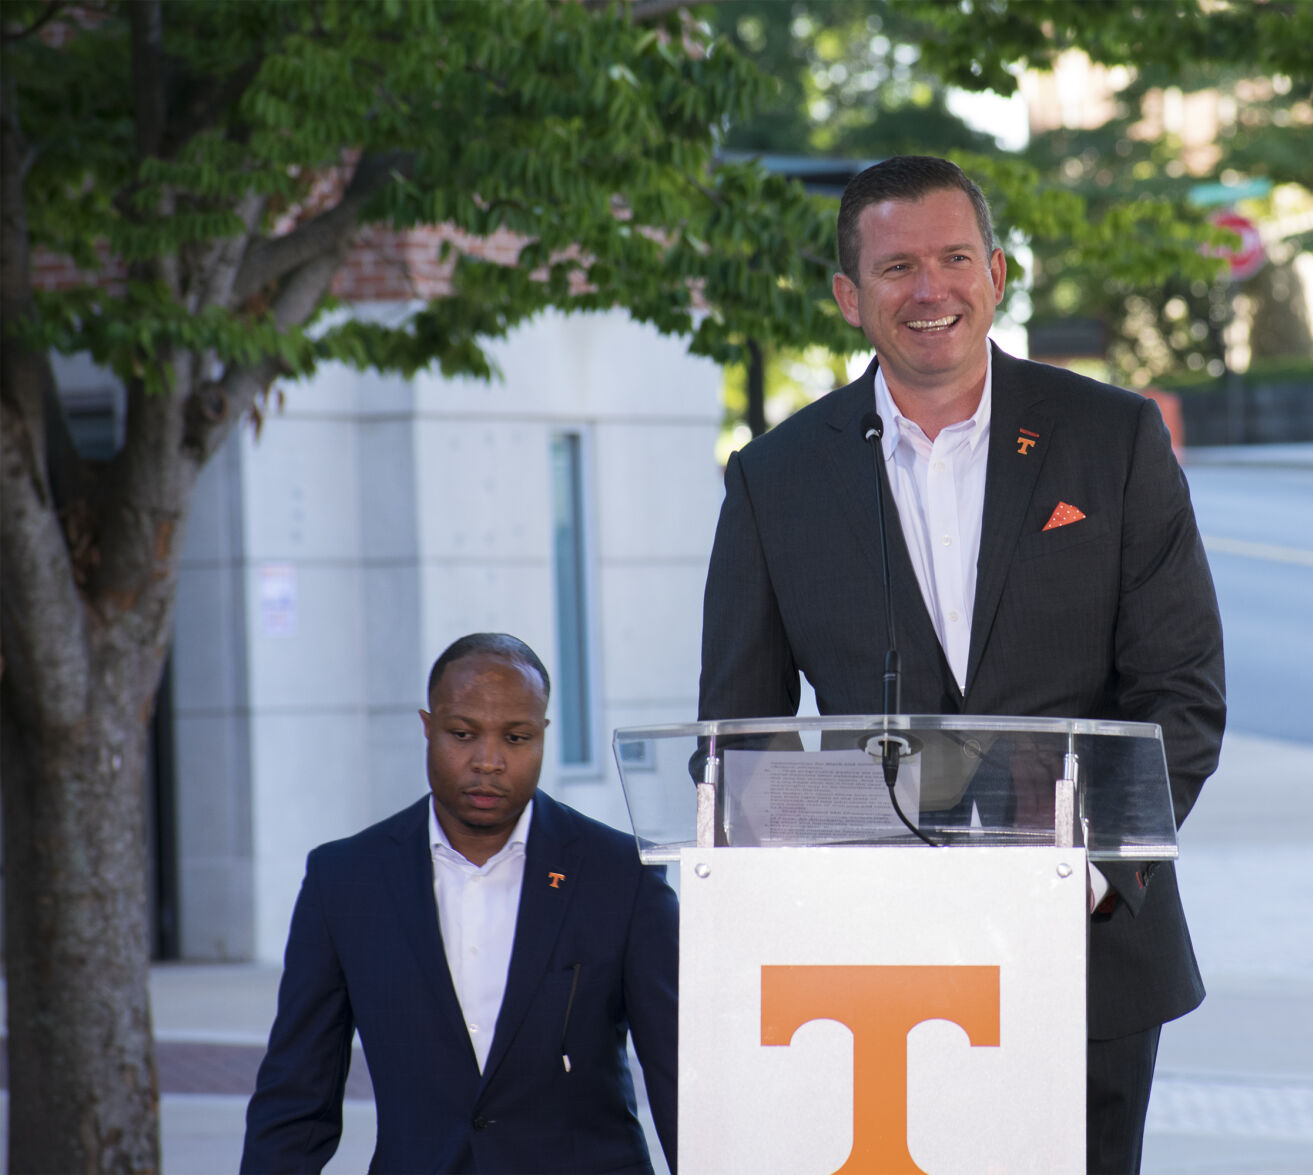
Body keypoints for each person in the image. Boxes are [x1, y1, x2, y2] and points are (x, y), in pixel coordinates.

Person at [698, 156, 1225, 1174]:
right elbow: (740, 740)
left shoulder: (1111, 439)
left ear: (994, 273)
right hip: (869, 972)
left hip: (1088, 951)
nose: (928, 289)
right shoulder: (774, 480)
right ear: (849, 296)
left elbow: (1180, 697)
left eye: (951, 259)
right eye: (895, 267)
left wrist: (1089, 876)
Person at [243, 633, 678, 1174]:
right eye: (463, 734)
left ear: (542, 736)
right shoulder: (346, 881)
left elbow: (681, 1082)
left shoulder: (621, 875)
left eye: (516, 738)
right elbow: (296, 1098)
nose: (489, 761)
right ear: (428, 728)